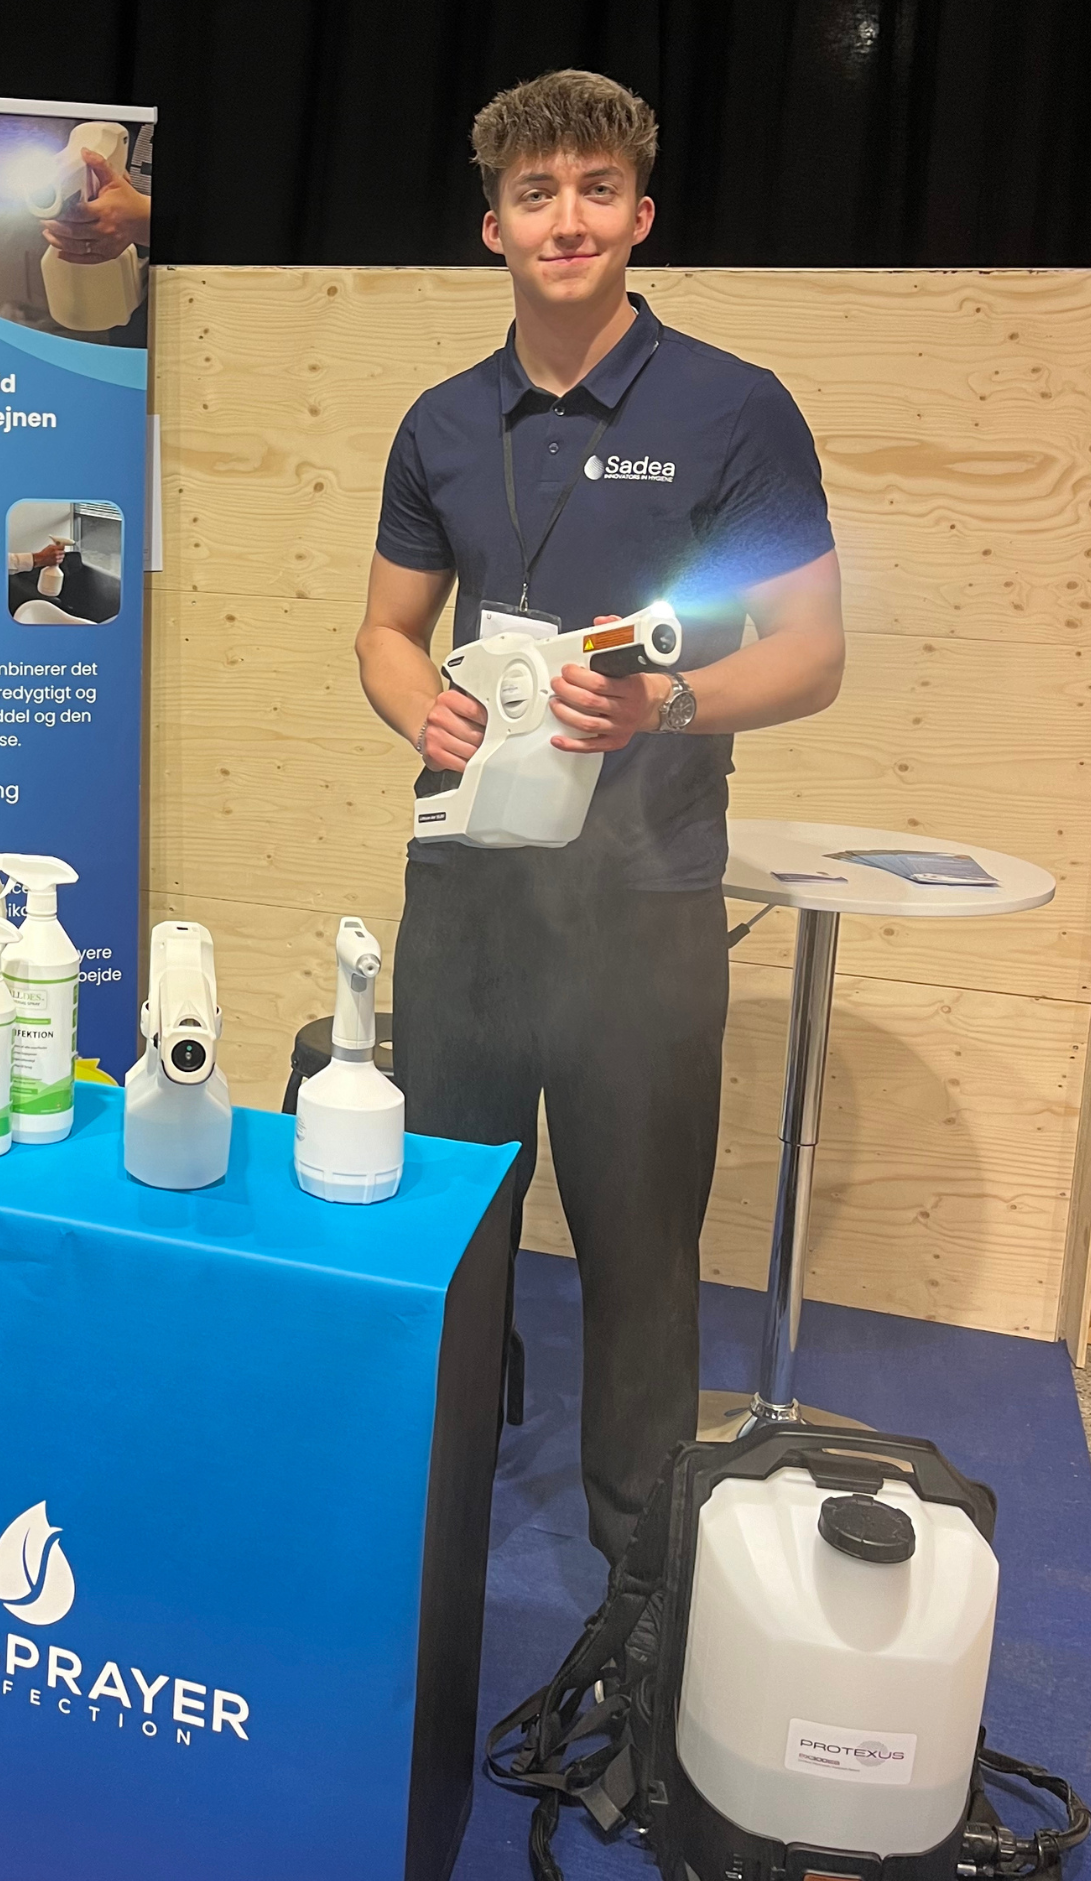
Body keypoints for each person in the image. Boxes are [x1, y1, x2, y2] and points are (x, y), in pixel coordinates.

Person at [354, 72, 844, 1567]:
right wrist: (418, 709)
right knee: (447, 1227)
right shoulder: (443, 423)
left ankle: (641, 1569)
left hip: (646, 904)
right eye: (535, 194)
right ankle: (429, 1515)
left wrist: (667, 707)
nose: (565, 218)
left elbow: (813, 653)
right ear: (492, 227)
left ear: (640, 215)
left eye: (594, 190)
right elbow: (386, 631)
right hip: (469, 900)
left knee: (640, 1253)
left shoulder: (734, 408)